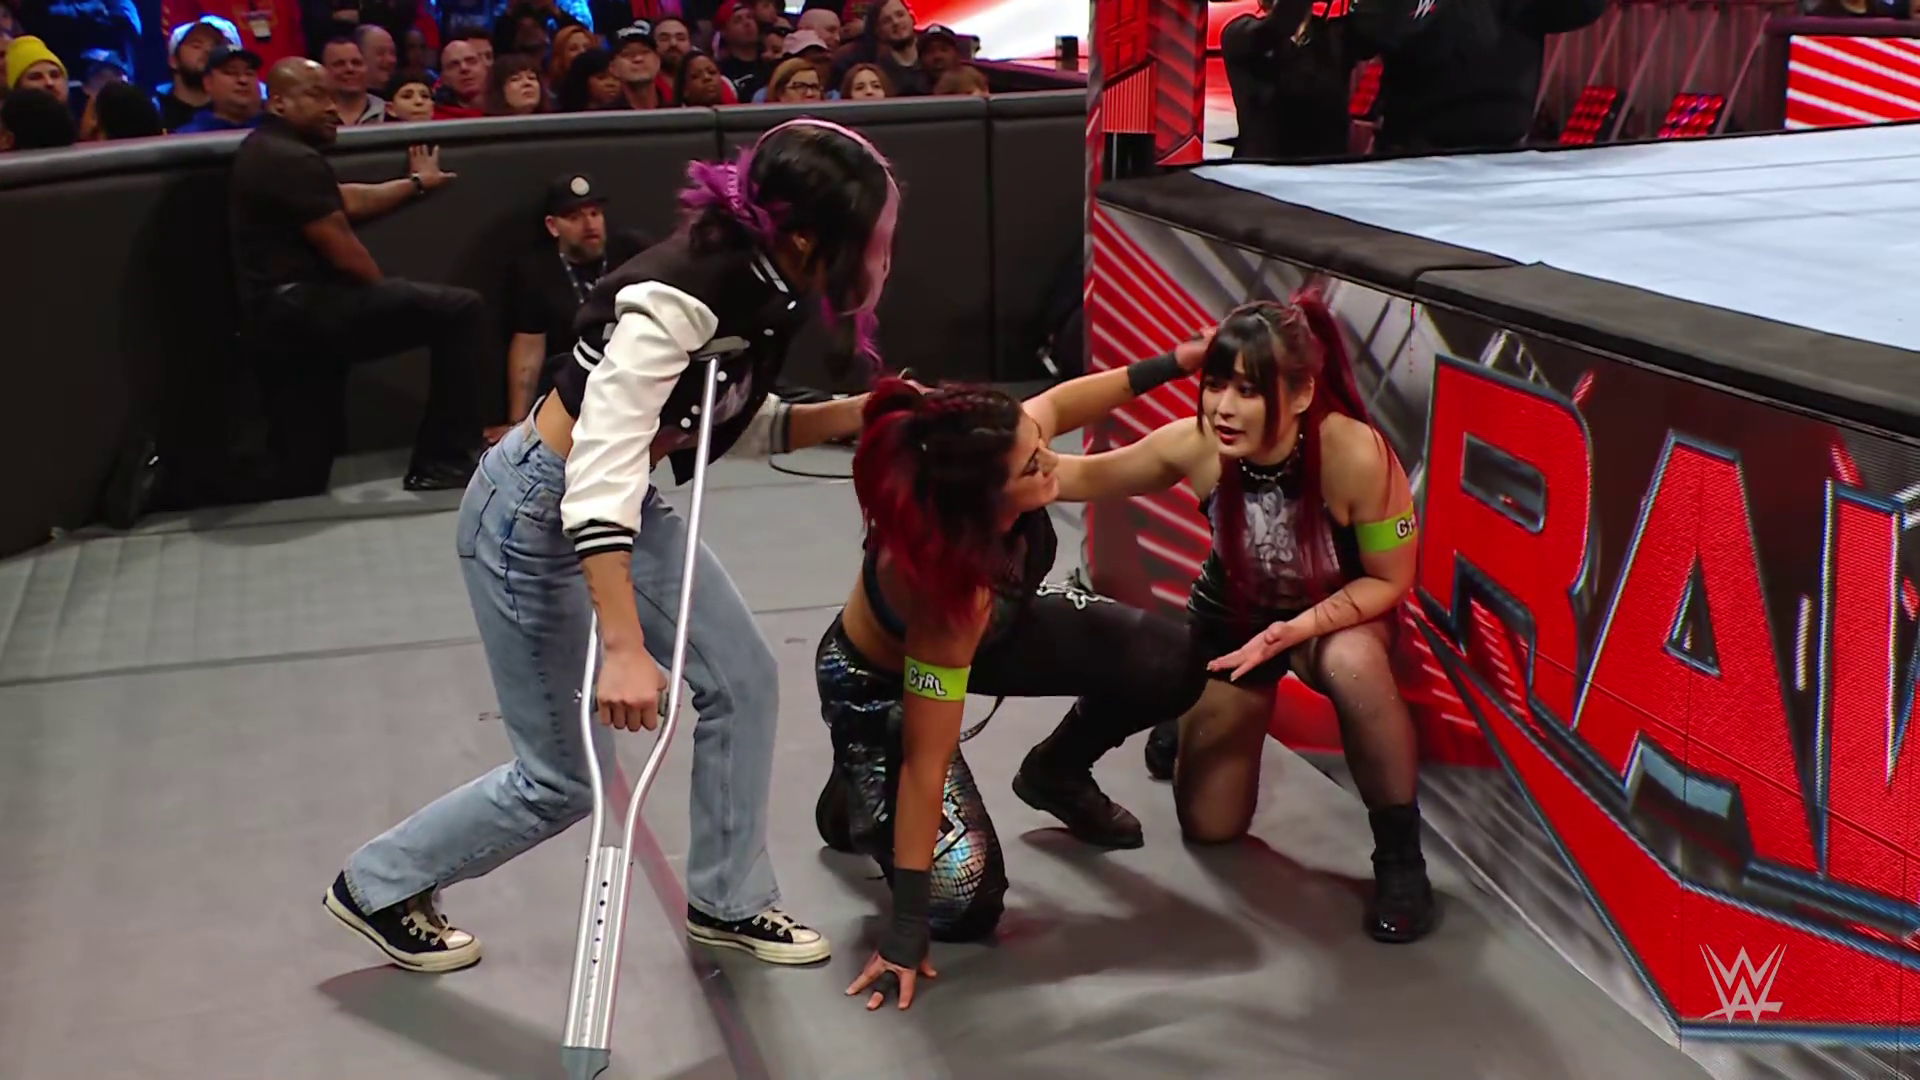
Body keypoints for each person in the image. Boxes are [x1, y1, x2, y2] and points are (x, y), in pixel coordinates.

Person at [323, 118, 902, 975]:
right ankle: (376, 885)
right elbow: (598, 473)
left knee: (742, 677)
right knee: (559, 780)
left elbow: (708, 425)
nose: (881, 253)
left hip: (612, 497)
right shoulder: (679, 297)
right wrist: (624, 649)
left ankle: (730, 900)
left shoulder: (765, 283)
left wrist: (858, 414)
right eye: (870, 236)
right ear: (810, 237)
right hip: (535, 512)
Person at [822, 350, 1211, 1013]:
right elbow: (925, 763)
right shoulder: (946, 594)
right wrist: (905, 930)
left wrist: (1178, 361)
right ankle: (856, 783)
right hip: (880, 686)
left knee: (1171, 661)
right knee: (963, 903)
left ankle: (1057, 771)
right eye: (1034, 466)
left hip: (996, 633)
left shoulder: (998, 446)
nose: (1052, 462)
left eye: (1040, 449)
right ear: (985, 500)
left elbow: (1058, 403)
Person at [1069, 294, 1432, 945]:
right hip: (1234, 621)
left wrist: (1295, 631)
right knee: (1210, 828)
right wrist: (997, 449)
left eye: (1248, 390)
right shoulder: (1198, 445)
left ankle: (1401, 857)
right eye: (1215, 385)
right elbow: (1080, 477)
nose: (1224, 408)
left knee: (1354, 665)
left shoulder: (1355, 454)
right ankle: (1183, 716)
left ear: (1300, 395)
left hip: (1333, 620)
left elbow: (1390, 580)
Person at [227, 57, 483, 495]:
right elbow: (346, 253)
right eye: (316, 95)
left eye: (331, 96)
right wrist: (387, 298)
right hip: (302, 311)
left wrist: (417, 183)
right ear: (279, 103)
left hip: (275, 317)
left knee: (300, 474)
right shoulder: (290, 158)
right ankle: (443, 461)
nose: (331, 107)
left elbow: (342, 200)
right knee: (460, 310)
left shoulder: (269, 149)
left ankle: (164, 480)